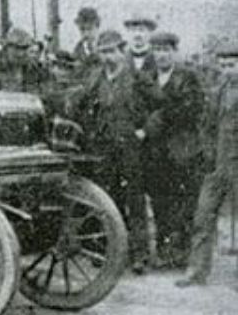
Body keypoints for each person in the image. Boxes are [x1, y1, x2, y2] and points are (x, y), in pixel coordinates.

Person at [73, 30, 156, 274]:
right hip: (103, 149)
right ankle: (110, 251)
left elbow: (160, 107)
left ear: (122, 51)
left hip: (131, 148)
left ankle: (139, 255)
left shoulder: (137, 78)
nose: (107, 57)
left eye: (111, 51)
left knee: (135, 200)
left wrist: (145, 130)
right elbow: (82, 103)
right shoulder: (96, 77)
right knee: (108, 200)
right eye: (103, 52)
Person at [176, 43, 238, 287]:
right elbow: (206, 125)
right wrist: (209, 150)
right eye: (222, 65)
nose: (226, 70)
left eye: (232, 65)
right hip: (217, 166)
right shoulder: (218, 90)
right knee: (203, 216)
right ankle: (197, 271)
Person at [143, 32, 205, 268]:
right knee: (160, 202)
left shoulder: (187, 77)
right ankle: (164, 249)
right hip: (156, 154)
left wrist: (160, 117)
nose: (161, 55)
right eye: (157, 50)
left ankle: (183, 252)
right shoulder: (148, 78)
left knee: (185, 203)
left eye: (166, 50)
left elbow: (191, 110)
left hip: (183, 151)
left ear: (174, 52)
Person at [0, 27, 51, 93]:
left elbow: (48, 95)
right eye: (16, 48)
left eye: (24, 48)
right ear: (7, 48)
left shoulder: (37, 72)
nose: (21, 53)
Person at [123, 14, 158, 80]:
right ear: (128, 32)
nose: (137, 34)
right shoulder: (122, 58)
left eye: (141, 30)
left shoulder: (157, 57)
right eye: (133, 30)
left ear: (150, 33)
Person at [71, 7, 101, 82]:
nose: (86, 34)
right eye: (82, 29)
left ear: (97, 27)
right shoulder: (77, 50)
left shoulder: (104, 47)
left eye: (89, 29)